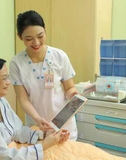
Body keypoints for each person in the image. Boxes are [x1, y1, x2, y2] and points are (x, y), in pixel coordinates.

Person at [0, 58, 69, 160]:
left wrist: (45, 135)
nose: (9, 82)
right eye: (4, 78)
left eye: (8, 77)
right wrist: (44, 145)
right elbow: (4, 157)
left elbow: (18, 131)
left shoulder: (1, 101)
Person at [9, 10, 78, 140]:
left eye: (40, 36)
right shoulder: (16, 63)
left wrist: (73, 95)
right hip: (37, 126)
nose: (36, 42)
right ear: (20, 37)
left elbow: (69, 88)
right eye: (29, 39)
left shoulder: (59, 56)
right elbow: (23, 99)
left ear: (45, 30)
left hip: (64, 124)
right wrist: (37, 119)